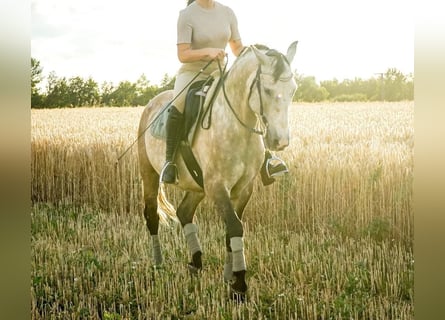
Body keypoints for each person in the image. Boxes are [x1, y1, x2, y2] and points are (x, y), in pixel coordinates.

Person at [160, 0, 288, 185]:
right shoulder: (187, 15)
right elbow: (183, 54)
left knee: (251, 99)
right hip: (192, 73)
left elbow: (237, 48)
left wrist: (258, 53)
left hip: (220, 72)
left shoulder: (227, 12)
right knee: (178, 105)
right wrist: (208, 52)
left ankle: (267, 158)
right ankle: (169, 163)